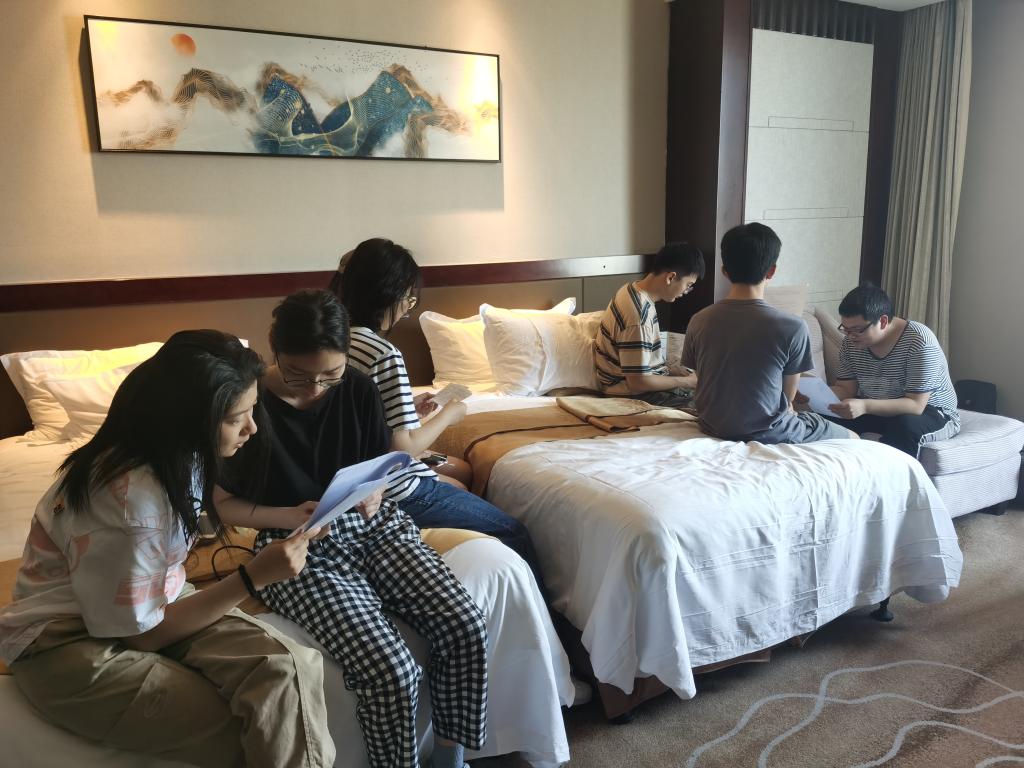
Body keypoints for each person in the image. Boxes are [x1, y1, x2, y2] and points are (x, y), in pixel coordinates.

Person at [0, 330, 333, 768]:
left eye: (253, 411)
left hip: (157, 603)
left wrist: (290, 518)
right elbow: (142, 634)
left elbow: (196, 525)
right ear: (188, 419)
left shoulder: (180, 456)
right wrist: (252, 577)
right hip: (65, 641)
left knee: (289, 667)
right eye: (237, 417)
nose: (252, 428)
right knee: (249, 725)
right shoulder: (130, 504)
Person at [215, 290, 487, 768]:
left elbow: (378, 465)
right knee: (392, 670)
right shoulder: (249, 406)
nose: (316, 388)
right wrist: (290, 517)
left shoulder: (358, 388)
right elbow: (222, 505)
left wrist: (375, 492)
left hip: (372, 525)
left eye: (330, 375)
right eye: (298, 375)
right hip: (295, 541)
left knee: (465, 624)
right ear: (275, 349)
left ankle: (451, 757)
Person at [330, 239, 544, 579]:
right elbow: (402, 449)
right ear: (389, 294)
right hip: (391, 486)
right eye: (409, 298)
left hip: (349, 474)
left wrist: (409, 406)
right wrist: (450, 414)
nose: (408, 307)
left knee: (461, 476)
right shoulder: (383, 354)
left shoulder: (335, 340)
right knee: (513, 531)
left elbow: (358, 417)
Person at [681, 223, 856, 444]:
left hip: (712, 426)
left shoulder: (699, 320)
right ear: (772, 270)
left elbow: (705, 379)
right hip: (771, 431)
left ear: (724, 271)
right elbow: (788, 399)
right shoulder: (793, 327)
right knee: (853, 437)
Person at [824, 283, 960, 457]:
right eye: (845, 329)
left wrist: (864, 406)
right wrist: (811, 397)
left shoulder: (919, 342)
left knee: (905, 426)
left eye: (857, 330)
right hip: (878, 407)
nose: (850, 336)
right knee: (824, 420)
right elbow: (846, 389)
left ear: (882, 321)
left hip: (931, 411)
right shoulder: (850, 343)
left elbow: (916, 405)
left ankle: (890, 474)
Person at [594, 241, 704, 407]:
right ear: (670, 277)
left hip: (639, 386)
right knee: (714, 403)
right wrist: (688, 382)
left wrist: (672, 371)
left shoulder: (631, 289)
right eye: (688, 285)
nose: (685, 292)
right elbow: (638, 383)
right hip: (633, 395)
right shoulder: (638, 316)